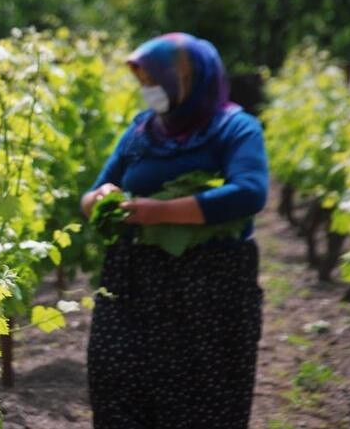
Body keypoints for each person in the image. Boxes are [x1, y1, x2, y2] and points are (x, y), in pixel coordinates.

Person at [79, 32, 269, 428]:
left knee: (202, 395)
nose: (149, 91)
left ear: (190, 79)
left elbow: (249, 193)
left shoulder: (235, 129)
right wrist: (101, 198)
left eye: (156, 81)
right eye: (144, 83)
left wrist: (161, 212)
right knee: (117, 383)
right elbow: (93, 193)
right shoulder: (141, 133)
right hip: (133, 280)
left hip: (209, 284)